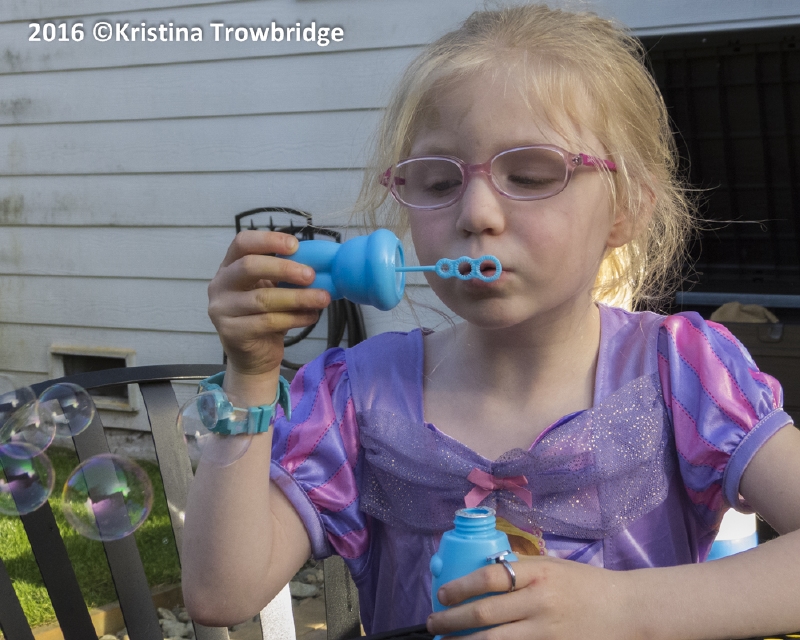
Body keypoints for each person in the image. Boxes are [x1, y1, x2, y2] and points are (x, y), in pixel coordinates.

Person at [182, 5, 800, 638]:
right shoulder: (356, 394)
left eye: (529, 175)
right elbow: (219, 593)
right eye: (436, 181)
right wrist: (250, 378)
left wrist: (619, 608)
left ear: (627, 209)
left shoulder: (681, 373)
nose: (476, 213)